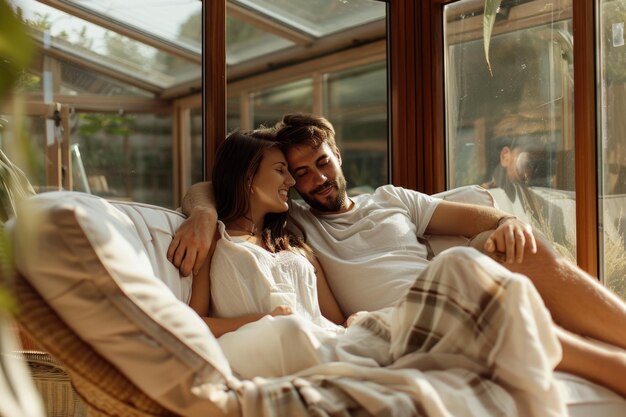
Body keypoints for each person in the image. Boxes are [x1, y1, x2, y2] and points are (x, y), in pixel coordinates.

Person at [170, 114, 626, 397]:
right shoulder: (298, 226)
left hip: (453, 293)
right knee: (462, 265)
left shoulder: (392, 198)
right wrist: (204, 217)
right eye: (299, 173)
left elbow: (481, 221)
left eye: (321, 163)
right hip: (401, 321)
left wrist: (507, 226)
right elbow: (212, 186)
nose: (313, 180)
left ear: (338, 156)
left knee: (519, 250)